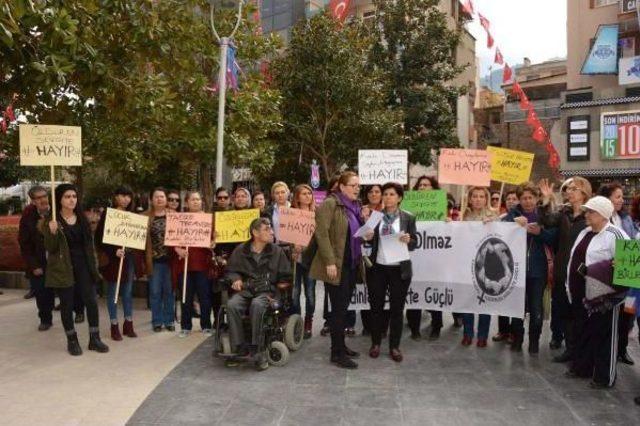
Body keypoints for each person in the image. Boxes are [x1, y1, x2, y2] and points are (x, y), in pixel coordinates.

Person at [565, 196, 629, 388]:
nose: (587, 214)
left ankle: (604, 377)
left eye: (591, 212)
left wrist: (619, 265)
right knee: (584, 331)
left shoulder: (616, 235)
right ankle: (583, 367)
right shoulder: (585, 232)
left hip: (606, 297)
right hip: (584, 295)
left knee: (605, 336)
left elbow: (629, 267)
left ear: (602, 215)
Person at [39, 184, 109, 356]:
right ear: (59, 200)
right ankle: (72, 340)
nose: (71, 200)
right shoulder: (52, 221)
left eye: (74, 196)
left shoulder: (82, 218)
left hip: (84, 265)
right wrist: (53, 232)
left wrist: (94, 266)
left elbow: (89, 245)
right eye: (67, 196)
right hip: (63, 268)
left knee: (91, 301)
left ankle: (95, 338)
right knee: (67, 305)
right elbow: (50, 248)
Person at [308, 171, 362, 369]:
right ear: (342, 187)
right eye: (353, 185)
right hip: (335, 266)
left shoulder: (354, 206)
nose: (357, 188)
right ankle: (336, 353)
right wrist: (330, 262)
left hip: (350, 264)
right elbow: (321, 234)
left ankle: (341, 346)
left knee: (343, 308)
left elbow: (351, 234)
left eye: (358, 185)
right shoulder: (331, 203)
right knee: (338, 311)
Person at [224, 218, 292, 370]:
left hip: (268, 292)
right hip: (247, 290)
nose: (271, 232)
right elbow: (231, 271)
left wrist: (277, 288)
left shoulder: (277, 251)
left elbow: (286, 276)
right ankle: (238, 347)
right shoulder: (241, 250)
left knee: (257, 304)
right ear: (255, 233)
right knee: (232, 304)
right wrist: (235, 279)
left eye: (271, 229)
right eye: (267, 229)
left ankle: (258, 349)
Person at [364, 182, 417, 362]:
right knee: (376, 308)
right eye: (385, 194)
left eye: (392, 194)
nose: (387, 197)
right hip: (378, 268)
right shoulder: (375, 217)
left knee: (396, 309)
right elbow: (366, 239)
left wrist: (409, 239)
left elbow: (415, 243)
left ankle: (394, 346)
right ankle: (376, 343)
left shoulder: (408, 217)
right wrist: (368, 237)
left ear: (400, 198)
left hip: (399, 270)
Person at [502, 182, 558, 353]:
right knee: (517, 308)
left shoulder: (544, 215)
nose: (527, 201)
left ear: (536, 198)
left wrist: (539, 233)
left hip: (538, 269)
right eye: (523, 198)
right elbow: (500, 230)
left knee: (535, 308)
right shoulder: (513, 214)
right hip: (516, 270)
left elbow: (554, 238)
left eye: (530, 198)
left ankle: (534, 340)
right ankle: (517, 340)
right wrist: (512, 224)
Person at [552, 177, 592, 361]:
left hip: (581, 274)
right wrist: (547, 201)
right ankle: (570, 349)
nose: (569, 192)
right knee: (565, 312)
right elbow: (547, 220)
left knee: (579, 313)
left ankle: (580, 351)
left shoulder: (591, 217)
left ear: (584, 193)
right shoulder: (564, 214)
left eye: (574, 189)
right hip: (562, 271)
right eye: (568, 188)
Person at [598, 182, 638, 365]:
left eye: (622, 197)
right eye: (618, 196)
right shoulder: (601, 220)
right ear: (607, 199)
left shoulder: (627, 219)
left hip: (628, 278)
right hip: (608, 276)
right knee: (608, 316)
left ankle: (622, 349)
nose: (621, 200)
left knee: (627, 315)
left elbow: (632, 245)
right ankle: (607, 351)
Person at [95, 185, 139, 341]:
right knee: (113, 294)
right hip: (113, 261)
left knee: (127, 294)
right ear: (116, 197)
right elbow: (99, 239)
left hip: (129, 260)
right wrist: (113, 251)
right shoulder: (108, 214)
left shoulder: (133, 216)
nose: (126, 199)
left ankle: (128, 323)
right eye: (122, 195)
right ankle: (114, 325)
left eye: (128, 196)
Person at [173, 191, 214, 337]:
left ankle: (206, 325)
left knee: (204, 297)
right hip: (185, 265)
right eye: (193, 199)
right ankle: (186, 326)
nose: (196, 202)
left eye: (198, 199)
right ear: (187, 202)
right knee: (186, 297)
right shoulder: (180, 219)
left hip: (203, 265)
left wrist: (212, 244)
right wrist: (177, 249)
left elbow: (214, 238)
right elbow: (173, 239)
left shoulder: (208, 219)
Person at [461, 186, 498, 348]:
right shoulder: (463, 215)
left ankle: (482, 335)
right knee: (468, 300)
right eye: (474, 196)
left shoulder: (494, 216)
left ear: (486, 199)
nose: (477, 199)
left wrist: (493, 225)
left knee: (485, 301)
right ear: (469, 199)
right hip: (467, 262)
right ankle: (467, 333)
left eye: (481, 196)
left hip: (487, 264)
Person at [18, 185, 55, 331]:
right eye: (38, 198)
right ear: (33, 201)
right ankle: (45, 319)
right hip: (39, 261)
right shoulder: (28, 215)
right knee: (41, 291)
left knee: (61, 290)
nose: (43, 200)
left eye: (44, 196)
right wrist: (33, 265)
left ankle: (74, 311)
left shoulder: (56, 211)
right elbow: (24, 242)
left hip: (57, 260)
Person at [360, 184, 389, 337]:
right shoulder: (360, 210)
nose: (373, 194)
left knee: (384, 293)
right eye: (371, 191)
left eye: (377, 191)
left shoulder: (388, 209)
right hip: (366, 256)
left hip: (385, 256)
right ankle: (367, 325)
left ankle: (383, 326)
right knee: (368, 290)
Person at [145, 188, 175, 332]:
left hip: (170, 260)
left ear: (166, 199)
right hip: (154, 261)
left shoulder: (175, 215)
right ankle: (157, 321)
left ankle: (169, 321)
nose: (159, 199)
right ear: (151, 199)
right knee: (155, 292)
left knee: (169, 292)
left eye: (162, 196)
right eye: (156, 197)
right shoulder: (145, 217)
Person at [290, 184, 317, 339]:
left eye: (309, 193)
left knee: (310, 294)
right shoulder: (290, 214)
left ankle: (308, 321)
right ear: (297, 196)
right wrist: (292, 248)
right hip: (294, 260)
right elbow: (284, 236)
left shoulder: (316, 213)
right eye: (304, 193)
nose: (307, 196)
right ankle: (297, 323)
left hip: (310, 260)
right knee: (294, 295)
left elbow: (320, 237)